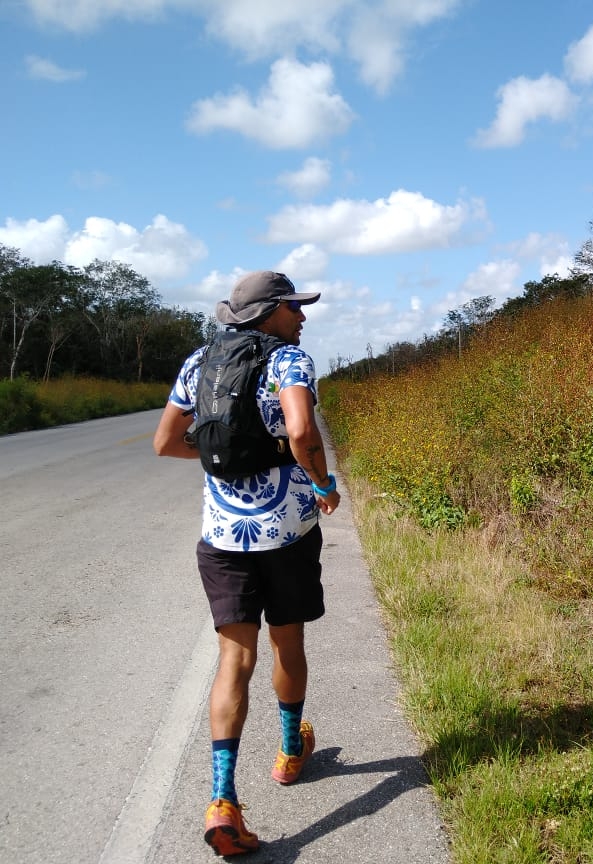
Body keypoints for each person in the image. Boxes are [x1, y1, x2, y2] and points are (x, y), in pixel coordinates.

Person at [153, 270, 341, 856]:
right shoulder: (287, 362)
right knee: (288, 644)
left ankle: (221, 800)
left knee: (234, 659)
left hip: (222, 538)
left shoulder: (198, 361)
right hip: (284, 533)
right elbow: (302, 429)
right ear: (267, 314)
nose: (302, 318)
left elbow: (165, 443)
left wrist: (224, 460)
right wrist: (321, 481)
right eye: (293, 308)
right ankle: (289, 752)